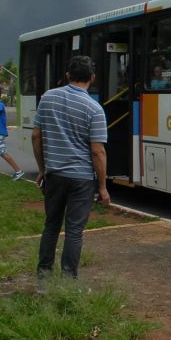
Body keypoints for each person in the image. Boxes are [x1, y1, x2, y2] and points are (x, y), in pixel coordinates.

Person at [32, 55, 110, 279]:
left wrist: (43, 168)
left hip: (54, 175)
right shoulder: (94, 110)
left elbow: (36, 136)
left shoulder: (48, 98)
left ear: (68, 75)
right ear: (92, 78)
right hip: (82, 179)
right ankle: (68, 279)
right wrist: (102, 187)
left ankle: (44, 273)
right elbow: (97, 151)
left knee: (51, 225)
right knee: (74, 231)